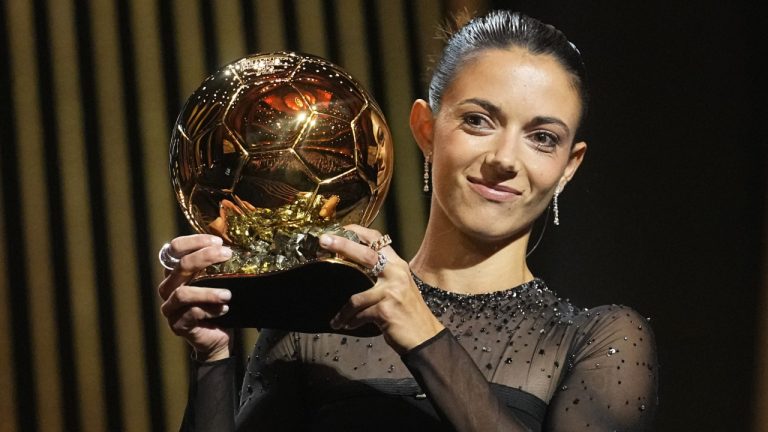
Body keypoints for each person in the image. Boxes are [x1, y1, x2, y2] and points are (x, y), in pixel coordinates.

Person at [157, 10, 658, 431]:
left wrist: (423, 336)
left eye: (542, 137)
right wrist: (213, 359)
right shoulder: (321, 322)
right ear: (425, 129)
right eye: (478, 121)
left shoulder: (598, 340)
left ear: (569, 166)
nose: (506, 158)